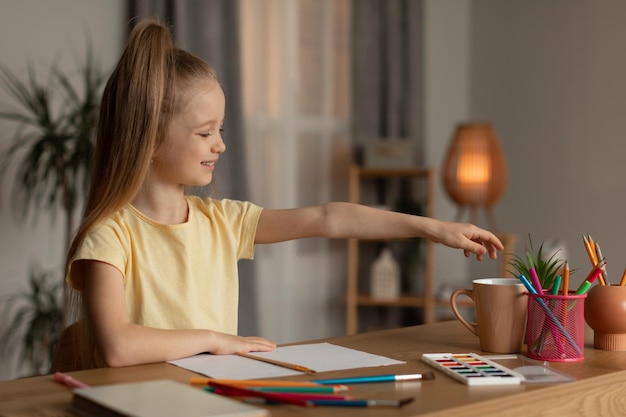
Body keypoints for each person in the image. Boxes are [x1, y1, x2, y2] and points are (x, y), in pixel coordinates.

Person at [61, 19, 503, 371]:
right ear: (150, 139)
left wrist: (434, 227)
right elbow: (117, 346)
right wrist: (215, 340)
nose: (220, 145)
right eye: (204, 132)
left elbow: (328, 218)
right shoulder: (110, 235)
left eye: (222, 130)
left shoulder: (222, 222)